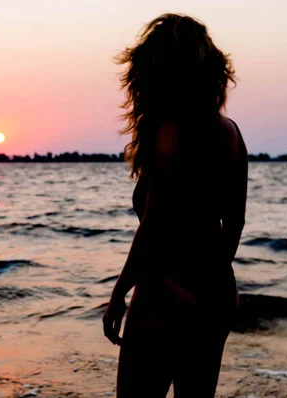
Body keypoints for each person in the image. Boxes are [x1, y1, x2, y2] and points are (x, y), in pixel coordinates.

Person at [102, 13, 248, 398]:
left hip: (164, 293)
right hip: (216, 297)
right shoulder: (231, 133)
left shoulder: (168, 131)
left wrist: (120, 292)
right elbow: (234, 223)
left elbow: (154, 224)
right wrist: (212, 286)